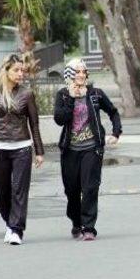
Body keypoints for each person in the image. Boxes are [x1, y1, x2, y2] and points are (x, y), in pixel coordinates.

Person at [54, 59, 122, 241]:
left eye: (84, 72)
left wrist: (116, 133)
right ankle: (76, 222)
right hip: (70, 150)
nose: (82, 75)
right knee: (72, 190)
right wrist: (71, 98)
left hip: (92, 148)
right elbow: (59, 119)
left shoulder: (95, 94)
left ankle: (89, 227)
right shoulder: (62, 95)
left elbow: (113, 112)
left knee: (90, 188)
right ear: (70, 75)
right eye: (77, 72)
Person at [0, 54, 44, 245]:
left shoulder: (27, 94)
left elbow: (34, 123)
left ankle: (16, 230)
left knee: (19, 189)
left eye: (22, 70)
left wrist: (39, 151)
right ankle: (9, 224)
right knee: (1, 192)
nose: (20, 74)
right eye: (16, 70)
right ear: (6, 71)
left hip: (22, 149)